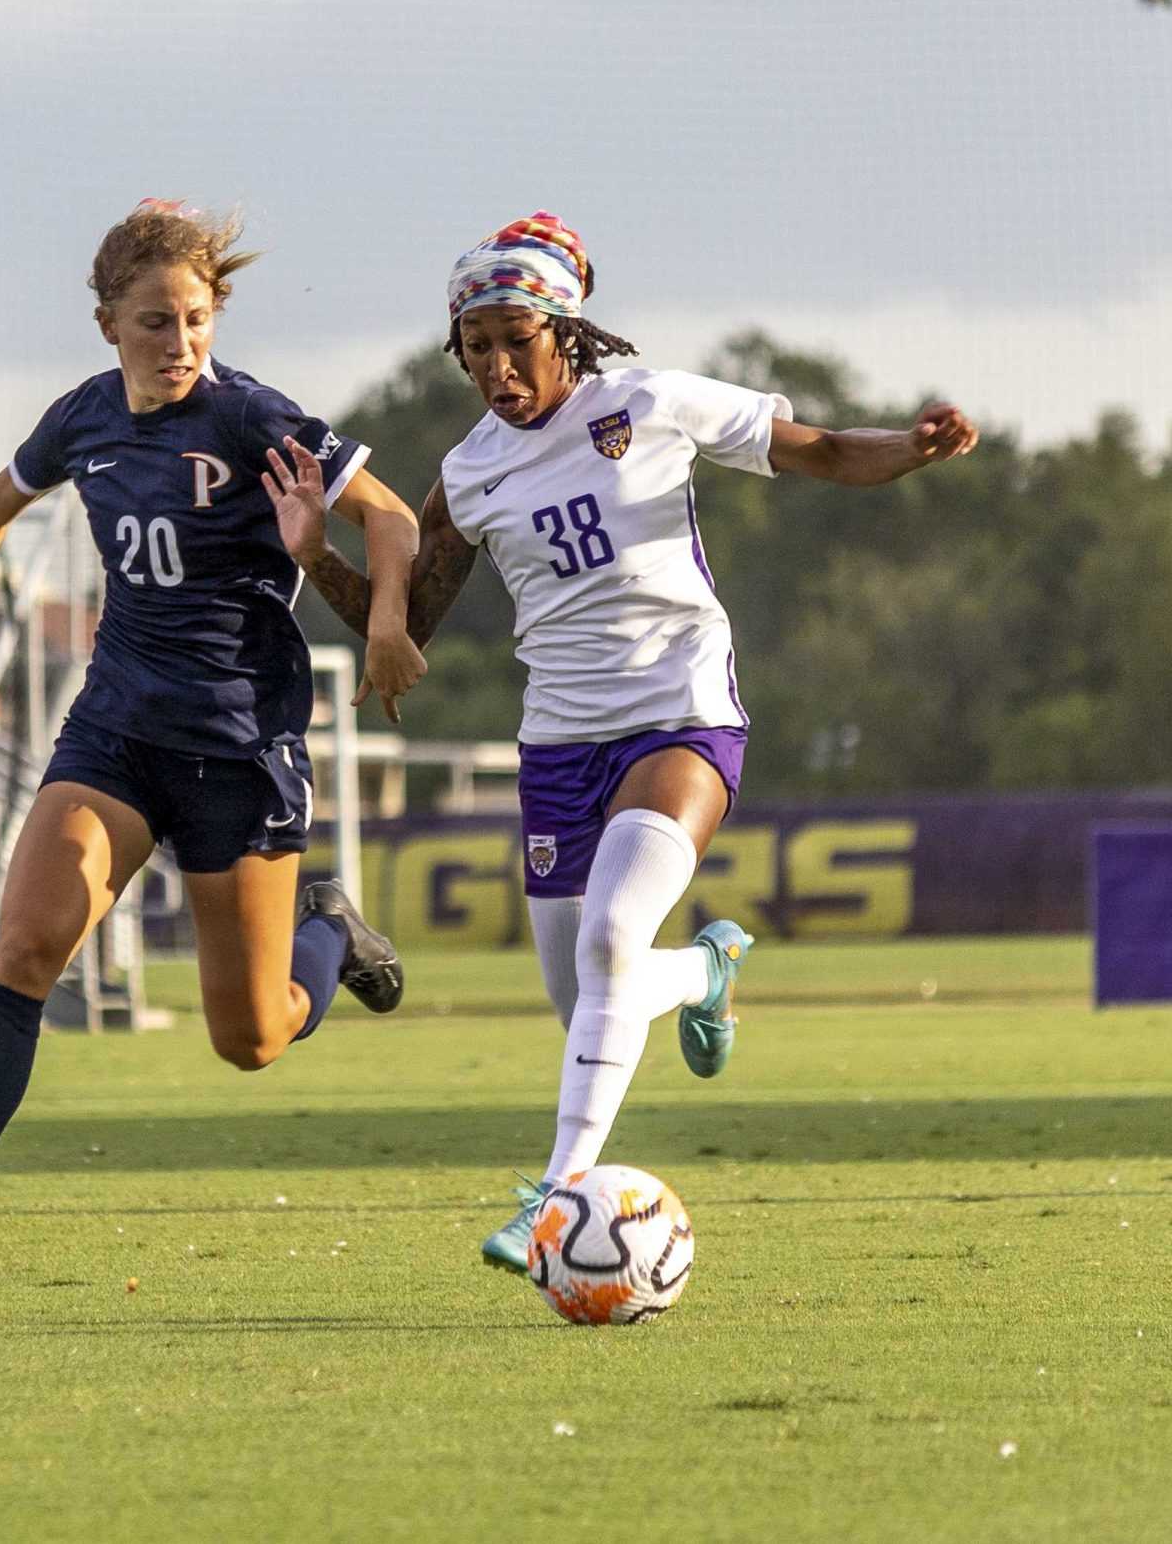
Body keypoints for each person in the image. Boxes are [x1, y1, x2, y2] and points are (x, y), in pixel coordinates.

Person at [270, 211, 977, 1276]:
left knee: (606, 949)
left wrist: (912, 451)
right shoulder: (465, 475)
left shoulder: (650, 402)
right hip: (559, 744)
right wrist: (316, 553)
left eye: (518, 339)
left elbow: (824, 451)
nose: (499, 367)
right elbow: (406, 627)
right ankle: (703, 971)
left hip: (679, 713)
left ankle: (552, 1200)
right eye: (478, 348)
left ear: (565, 329)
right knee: (587, 997)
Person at [0, 200, 428, 1300]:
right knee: (23, 947)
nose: (181, 344)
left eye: (197, 320)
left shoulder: (252, 417)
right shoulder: (81, 422)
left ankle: (327, 930)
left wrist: (389, 620)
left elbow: (394, 519)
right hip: (114, 733)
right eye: (156, 323)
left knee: (252, 1039)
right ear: (108, 323)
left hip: (240, 747)